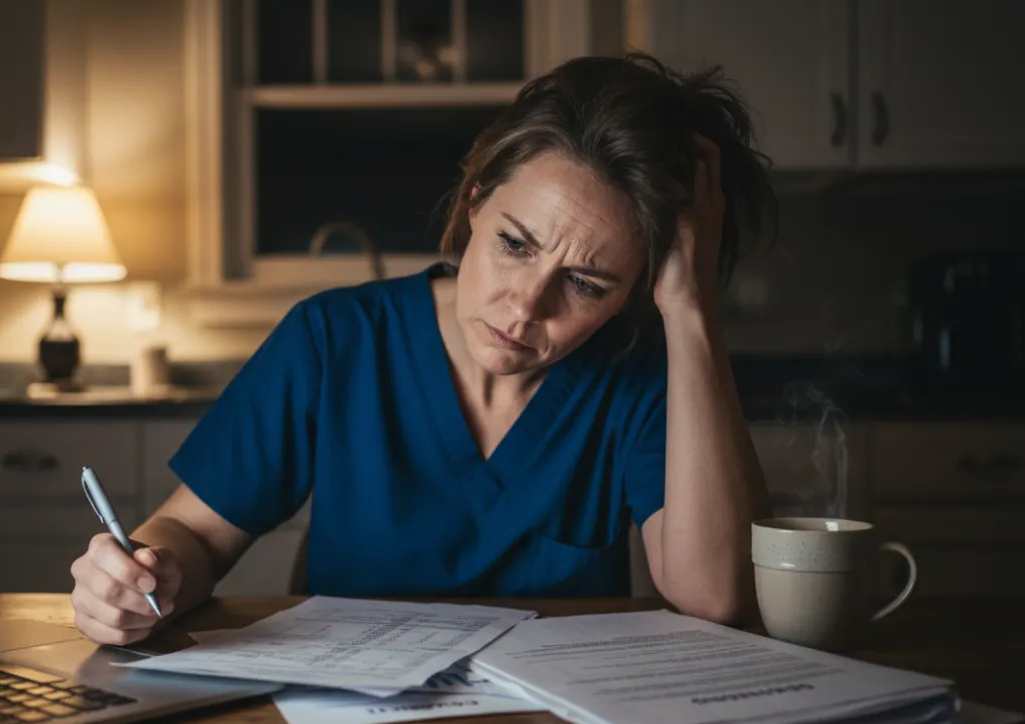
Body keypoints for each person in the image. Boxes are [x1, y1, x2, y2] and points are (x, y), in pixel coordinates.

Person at [70, 52, 776, 647]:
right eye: (513, 245)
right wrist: (141, 577)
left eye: (587, 284)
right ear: (475, 202)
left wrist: (690, 309)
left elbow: (716, 599)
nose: (526, 306)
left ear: (633, 292)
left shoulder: (645, 375)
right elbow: (193, 533)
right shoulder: (334, 340)